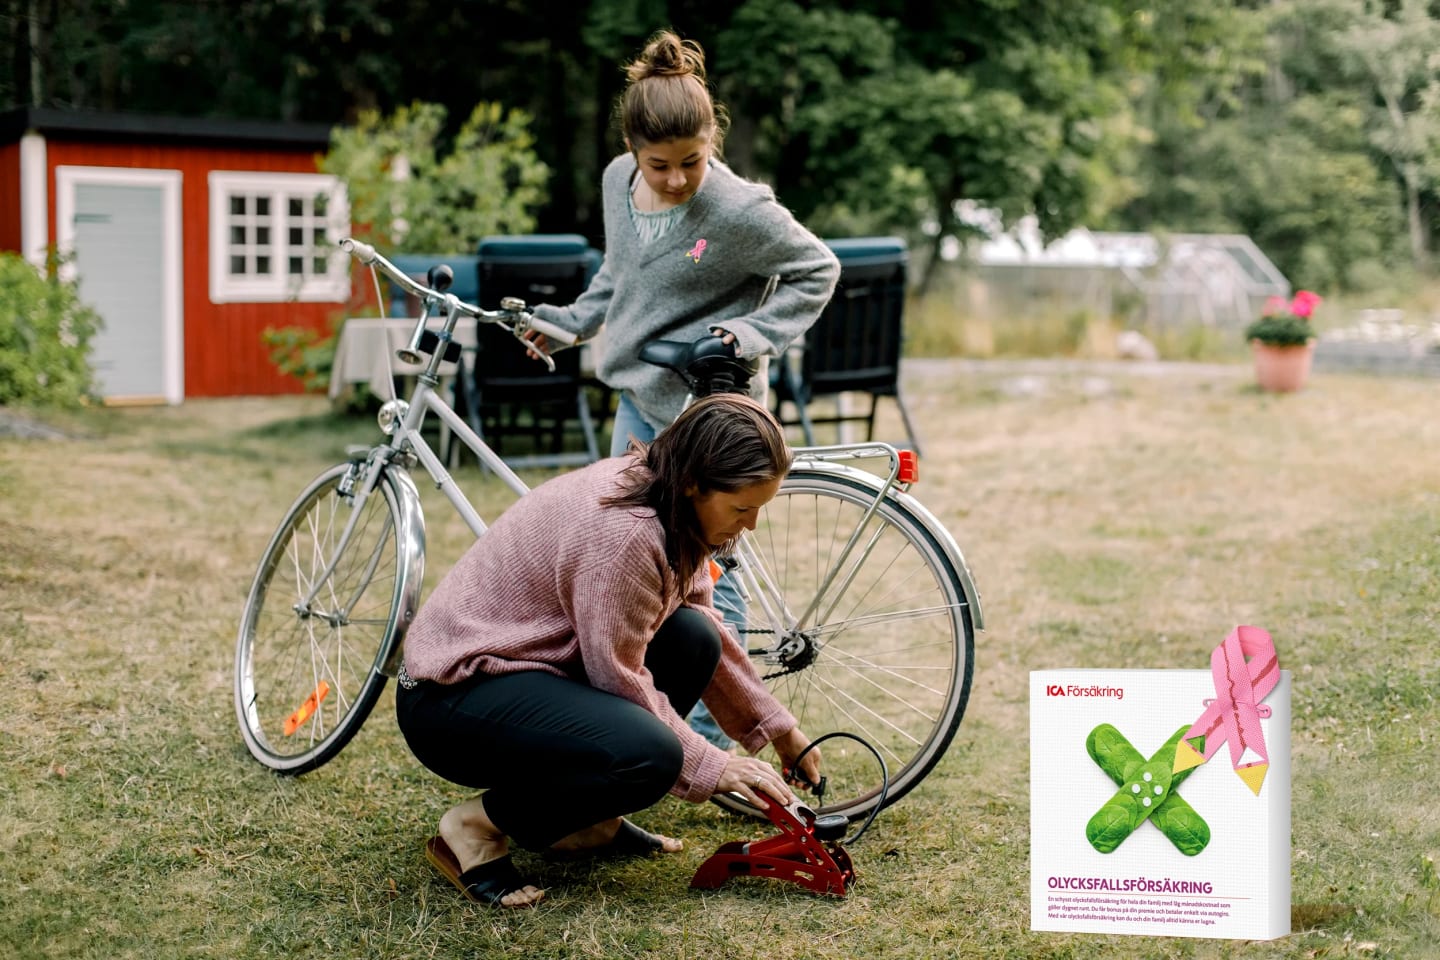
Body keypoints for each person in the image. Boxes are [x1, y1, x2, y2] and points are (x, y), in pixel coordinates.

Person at [526, 28, 841, 748]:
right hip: (639, 404)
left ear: (713, 142)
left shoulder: (736, 209)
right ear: (633, 152)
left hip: (708, 414)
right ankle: (635, 719)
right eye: (658, 164)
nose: (674, 179)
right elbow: (619, 274)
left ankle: (712, 742)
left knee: (705, 578)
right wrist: (572, 324)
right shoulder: (615, 181)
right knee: (627, 561)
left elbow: (817, 270)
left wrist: (749, 334)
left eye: (691, 163)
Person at [395, 394, 824, 908]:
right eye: (742, 508)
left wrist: (778, 729)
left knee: (693, 638)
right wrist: (712, 765)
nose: (751, 525)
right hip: (451, 697)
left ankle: (582, 824)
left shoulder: (671, 503)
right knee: (652, 754)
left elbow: (704, 622)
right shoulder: (625, 536)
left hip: (527, 672)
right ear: (694, 483)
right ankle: (472, 829)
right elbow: (618, 678)